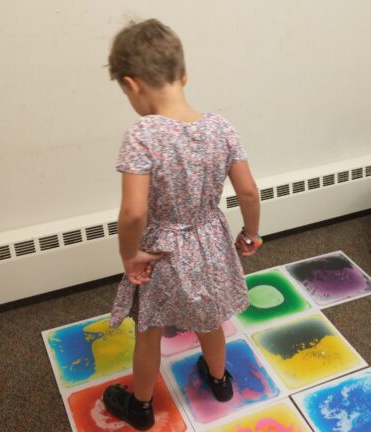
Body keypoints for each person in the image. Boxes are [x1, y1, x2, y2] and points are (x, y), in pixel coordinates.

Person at [101, 18, 262, 430]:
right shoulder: (221, 126)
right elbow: (248, 192)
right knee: (210, 318)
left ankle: (139, 406)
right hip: (210, 239)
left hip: (163, 248)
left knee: (150, 329)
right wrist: (250, 232)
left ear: (132, 85)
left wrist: (130, 256)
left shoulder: (142, 135)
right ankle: (219, 380)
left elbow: (134, 213)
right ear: (184, 74)